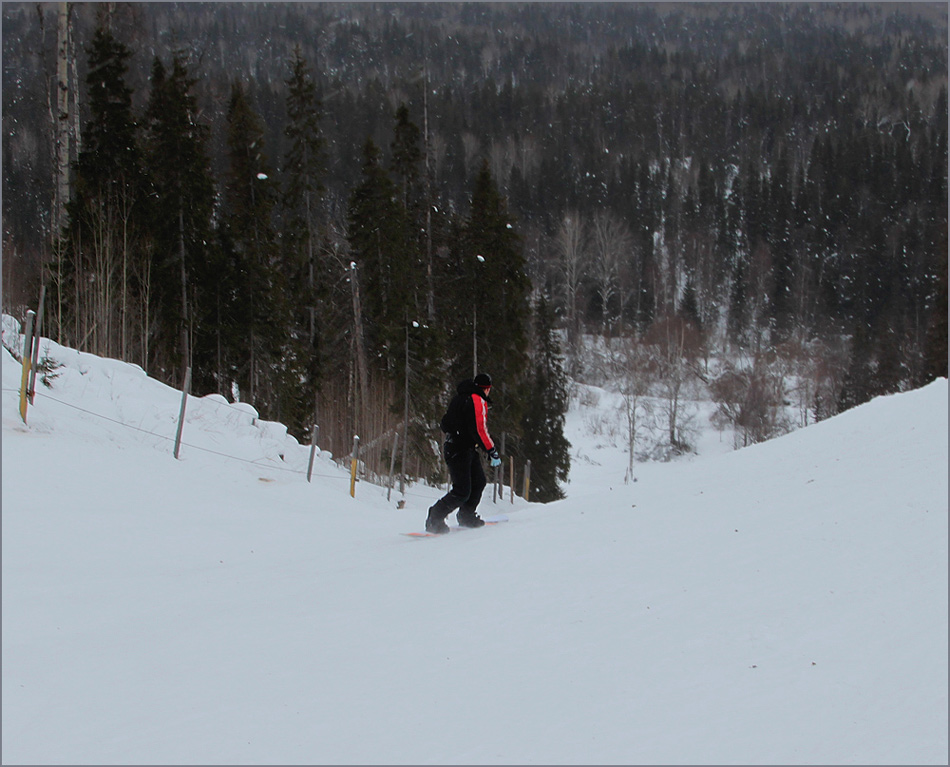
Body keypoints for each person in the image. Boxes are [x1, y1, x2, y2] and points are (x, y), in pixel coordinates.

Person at [426, 372, 502, 534]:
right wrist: (491, 450)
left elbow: (445, 423)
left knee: (479, 482)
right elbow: (480, 430)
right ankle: (435, 517)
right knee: (462, 490)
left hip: (461, 446)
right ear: (487, 389)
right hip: (459, 449)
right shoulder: (476, 400)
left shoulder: (460, 398)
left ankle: (466, 515)